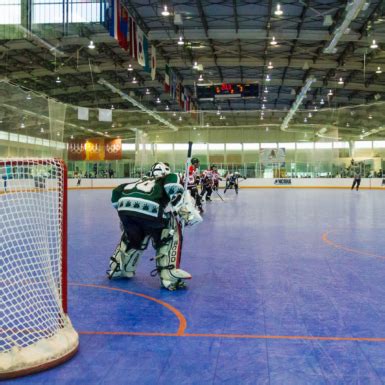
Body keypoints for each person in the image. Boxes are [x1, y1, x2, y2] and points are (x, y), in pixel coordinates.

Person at [107, 162, 201, 291]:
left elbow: (117, 192)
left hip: (125, 209)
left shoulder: (139, 180)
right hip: (150, 209)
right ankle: (168, 275)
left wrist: (125, 214)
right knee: (170, 229)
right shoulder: (169, 176)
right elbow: (172, 187)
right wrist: (186, 213)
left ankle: (117, 267)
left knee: (133, 235)